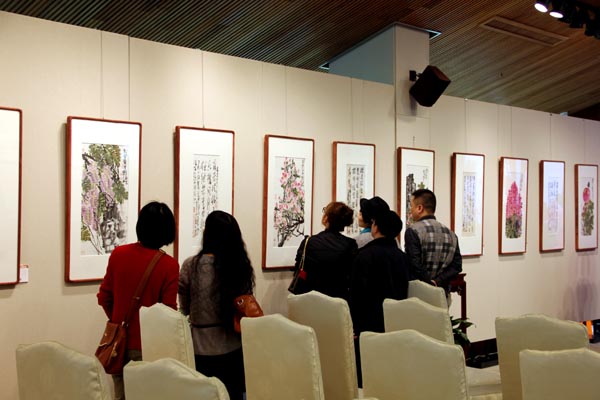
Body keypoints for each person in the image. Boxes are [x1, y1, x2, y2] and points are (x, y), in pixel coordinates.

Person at [97, 201, 179, 400]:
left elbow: (104, 297)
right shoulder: (169, 265)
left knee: (121, 395)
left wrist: (119, 321)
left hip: (118, 344)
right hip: (149, 345)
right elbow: (168, 313)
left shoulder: (119, 254)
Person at [178, 211, 255, 400]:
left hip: (199, 348)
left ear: (207, 234)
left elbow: (185, 308)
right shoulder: (239, 265)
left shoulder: (190, 266)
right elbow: (245, 307)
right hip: (232, 347)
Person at [350, 209, 410, 334]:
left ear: (376, 228)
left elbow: (357, 292)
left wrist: (355, 324)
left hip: (369, 323)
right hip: (396, 320)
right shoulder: (402, 257)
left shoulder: (364, 255)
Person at [292, 201, 357, 300]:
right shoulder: (350, 244)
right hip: (338, 299)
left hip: (310, 298)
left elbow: (299, 266)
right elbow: (351, 275)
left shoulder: (309, 241)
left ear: (326, 218)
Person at [404, 189, 462, 296]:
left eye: (411, 206)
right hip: (442, 294)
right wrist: (437, 281)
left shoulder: (413, 231)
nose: (410, 210)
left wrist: (429, 283)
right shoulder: (451, 234)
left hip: (418, 295)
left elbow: (414, 265)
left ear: (419, 208)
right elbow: (457, 266)